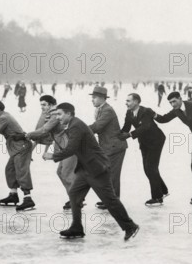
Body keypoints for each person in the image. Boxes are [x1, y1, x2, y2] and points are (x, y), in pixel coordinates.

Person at [43, 103, 139, 240]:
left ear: (69, 114)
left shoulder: (76, 125)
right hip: (85, 169)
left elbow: (71, 148)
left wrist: (53, 156)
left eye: (60, 114)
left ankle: (130, 226)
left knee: (110, 200)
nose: (57, 117)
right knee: (74, 194)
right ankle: (77, 228)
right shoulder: (72, 125)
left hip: (97, 169)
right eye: (56, 115)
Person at [25, 95, 78, 210]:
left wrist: (28, 135)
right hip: (61, 146)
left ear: (50, 104)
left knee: (66, 173)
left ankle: (77, 199)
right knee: (60, 172)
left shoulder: (54, 115)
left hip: (68, 146)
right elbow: (46, 135)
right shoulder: (50, 115)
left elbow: (44, 130)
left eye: (44, 105)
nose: (42, 107)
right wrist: (36, 150)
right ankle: (74, 198)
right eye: (41, 105)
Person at [119, 93, 168, 206]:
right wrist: (117, 134)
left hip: (156, 141)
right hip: (144, 142)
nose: (126, 103)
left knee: (151, 168)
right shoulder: (129, 112)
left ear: (136, 101)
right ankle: (163, 190)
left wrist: (129, 135)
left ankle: (157, 197)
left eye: (128, 101)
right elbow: (126, 127)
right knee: (148, 168)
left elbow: (145, 127)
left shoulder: (145, 111)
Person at [88, 86, 127, 209]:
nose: (92, 100)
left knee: (112, 175)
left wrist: (80, 129)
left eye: (94, 98)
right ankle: (109, 199)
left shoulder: (107, 110)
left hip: (114, 147)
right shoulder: (101, 109)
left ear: (101, 98)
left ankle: (113, 201)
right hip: (107, 147)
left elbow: (97, 127)